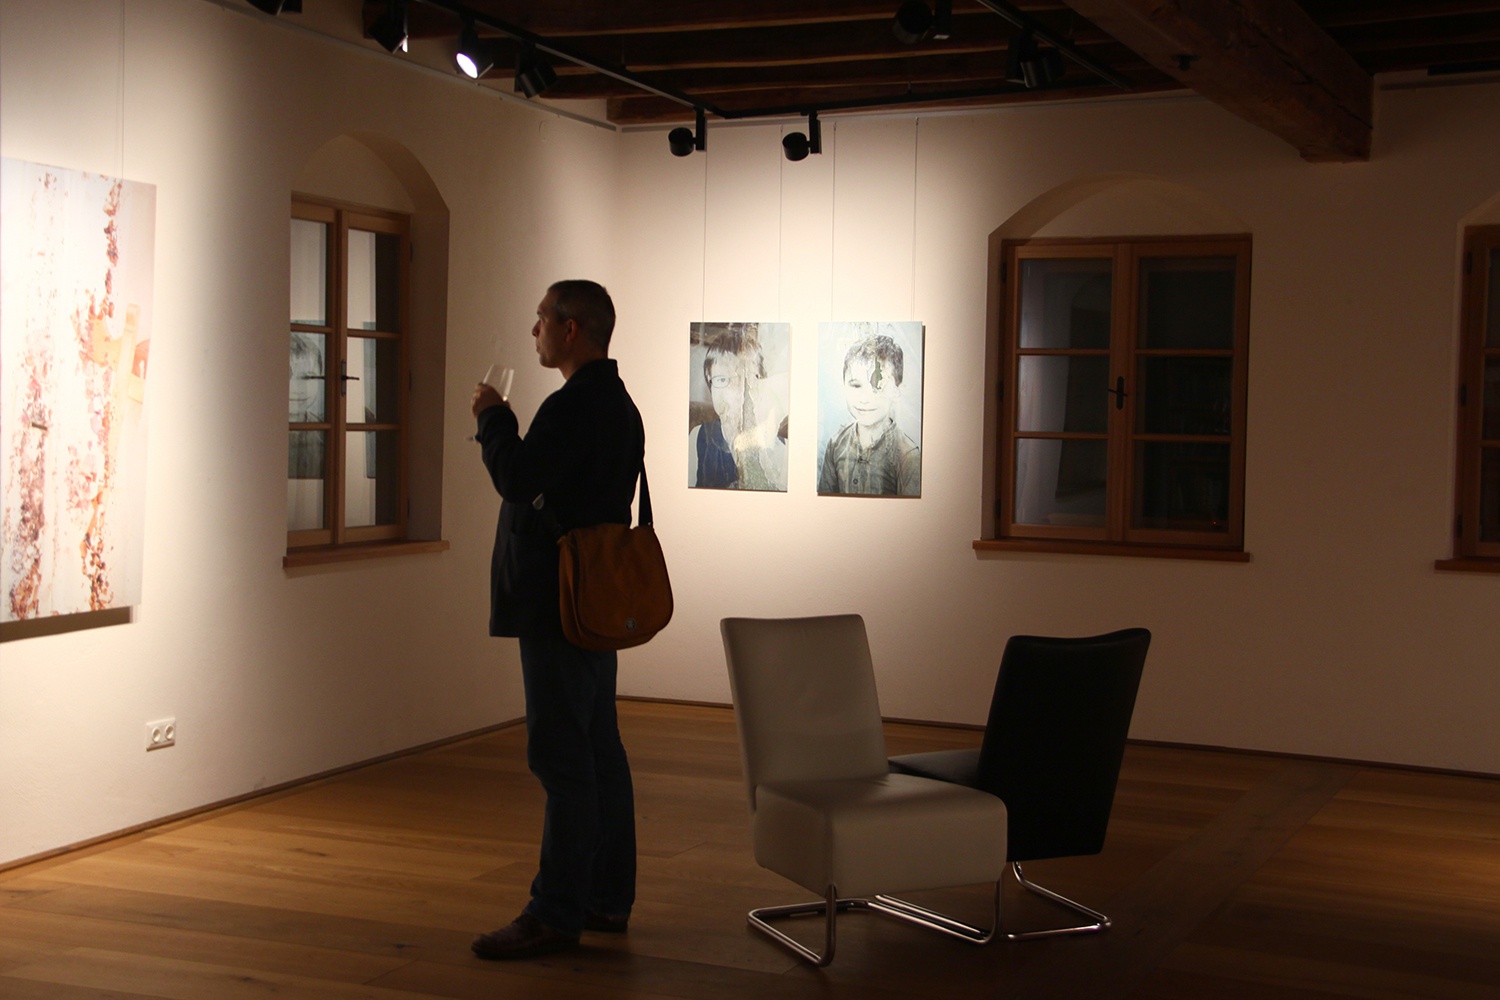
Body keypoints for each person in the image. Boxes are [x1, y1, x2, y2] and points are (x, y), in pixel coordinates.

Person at [469, 280, 644, 960]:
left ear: (572, 329)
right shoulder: (618, 404)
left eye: (542, 318)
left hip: (557, 602)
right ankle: (605, 896)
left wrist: (493, 418)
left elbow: (517, 478)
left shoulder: (572, 406)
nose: (534, 329)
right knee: (599, 749)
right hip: (595, 599)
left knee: (562, 756)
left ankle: (555, 912)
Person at [687, 324, 788, 491]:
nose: (734, 393)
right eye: (721, 379)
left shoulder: (782, 449)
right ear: (710, 387)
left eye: (745, 379)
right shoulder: (698, 437)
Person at [818, 334, 921, 496]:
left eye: (878, 386)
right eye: (856, 385)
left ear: (896, 390)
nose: (865, 399)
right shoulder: (836, 445)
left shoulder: (907, 456)